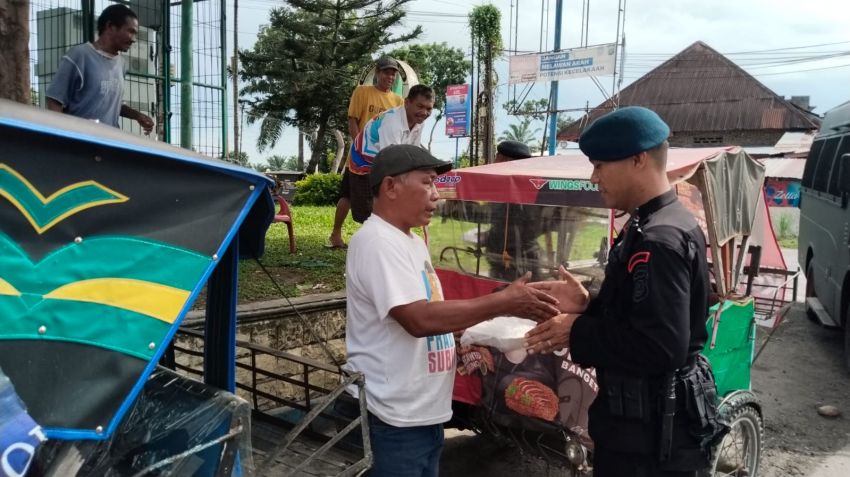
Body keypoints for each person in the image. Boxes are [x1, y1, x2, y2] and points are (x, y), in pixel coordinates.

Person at [523, 107, 720, 476]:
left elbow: (662, 345)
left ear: (638, 160)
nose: (594, 177)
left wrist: (576, 329)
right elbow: (643, 314)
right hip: (642, 429)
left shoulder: (660, 239)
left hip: (652, 442)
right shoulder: (657, 222)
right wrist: (588, 306)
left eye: (600, 165)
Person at [341, 144, 560, 476]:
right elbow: (417, 319)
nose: (436, 196)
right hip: (393, 417)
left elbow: (431, 311)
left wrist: (468, 329)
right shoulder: (376, 242)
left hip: (422, 412)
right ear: (390, 187)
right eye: (427, 183)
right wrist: (503, 302)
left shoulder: (411, 241)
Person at [327, 57, 403, 248]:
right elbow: (353, 120)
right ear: (377, 73)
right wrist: (359, 146)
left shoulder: (398, 101)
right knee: (347, 196)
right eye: (386, 72)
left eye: (393, 73)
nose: (390, 76)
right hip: (358, 158)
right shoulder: (362, 92)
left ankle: (378, 239)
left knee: (379, 199)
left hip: (383, 161)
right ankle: (335, 234)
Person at [46, 4, 154, 134]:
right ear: (110, 27)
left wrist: (137, 115)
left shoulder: (121, 63)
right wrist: (62, 137)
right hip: (80, 143)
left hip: (109, 144)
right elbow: (54, 100)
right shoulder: (79, 56)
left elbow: (112, 104)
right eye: (130, 31)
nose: (134, 39)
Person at [347, 84, 435, 222]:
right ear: (407, 102)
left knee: (389, 208)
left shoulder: (419, 122)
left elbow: (412, 153)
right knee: (367, 214)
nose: (424, 112)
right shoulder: (392, 122)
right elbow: (391, 160)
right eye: (420, 106)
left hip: (382, 161)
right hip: (362, 163)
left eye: (429, 108)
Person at [483, 140, 546, 280]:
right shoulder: (509, 185)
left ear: (504, 161)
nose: (494, 161)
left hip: (518, 257)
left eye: (497, 158)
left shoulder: (525, 188)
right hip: (507, 255)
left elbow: (511, 223)